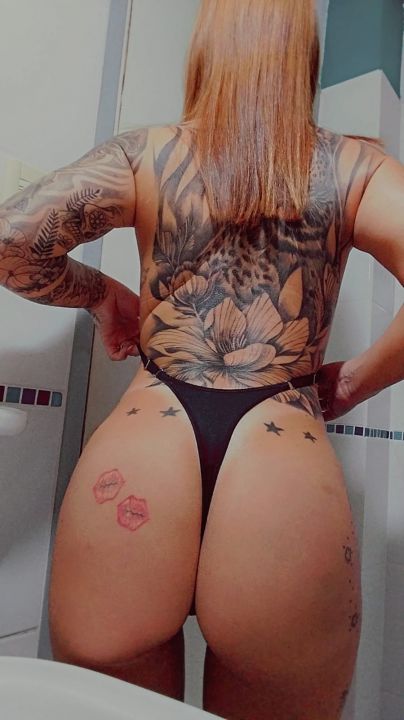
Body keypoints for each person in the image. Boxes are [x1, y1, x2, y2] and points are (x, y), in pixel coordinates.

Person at [1, 0, 404, 718]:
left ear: (206, 50)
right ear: (304, 57)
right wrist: (354, 380)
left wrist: (102, 294)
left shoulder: (146, 153)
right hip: (280, 458)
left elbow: (12, 239)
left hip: (146, 442)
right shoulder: (355, 168)